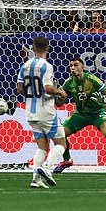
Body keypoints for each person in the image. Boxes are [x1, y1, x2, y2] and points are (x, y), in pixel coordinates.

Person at [52, 58, 106, 177]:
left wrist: (104, 100)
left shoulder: (91, 79)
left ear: (82, 67)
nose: (73, 68)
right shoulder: (69, 83)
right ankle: (67, 160)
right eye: (71, 66)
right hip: (80, 114)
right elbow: (59, 104)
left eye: (76, 65)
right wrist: (57, 95)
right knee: (60, 135)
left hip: (98, 113)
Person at [17, 35, 68, 189]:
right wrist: (60, 92)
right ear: (47, 48)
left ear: (33, 48)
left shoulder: (25, 66)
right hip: (46, 110)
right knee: (61, 143)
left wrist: (32, 92)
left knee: (42, 147)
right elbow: (47, 88)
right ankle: (47, 167)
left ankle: (35, 179)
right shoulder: (47, 65)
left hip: (30, 112)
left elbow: (20, 89)